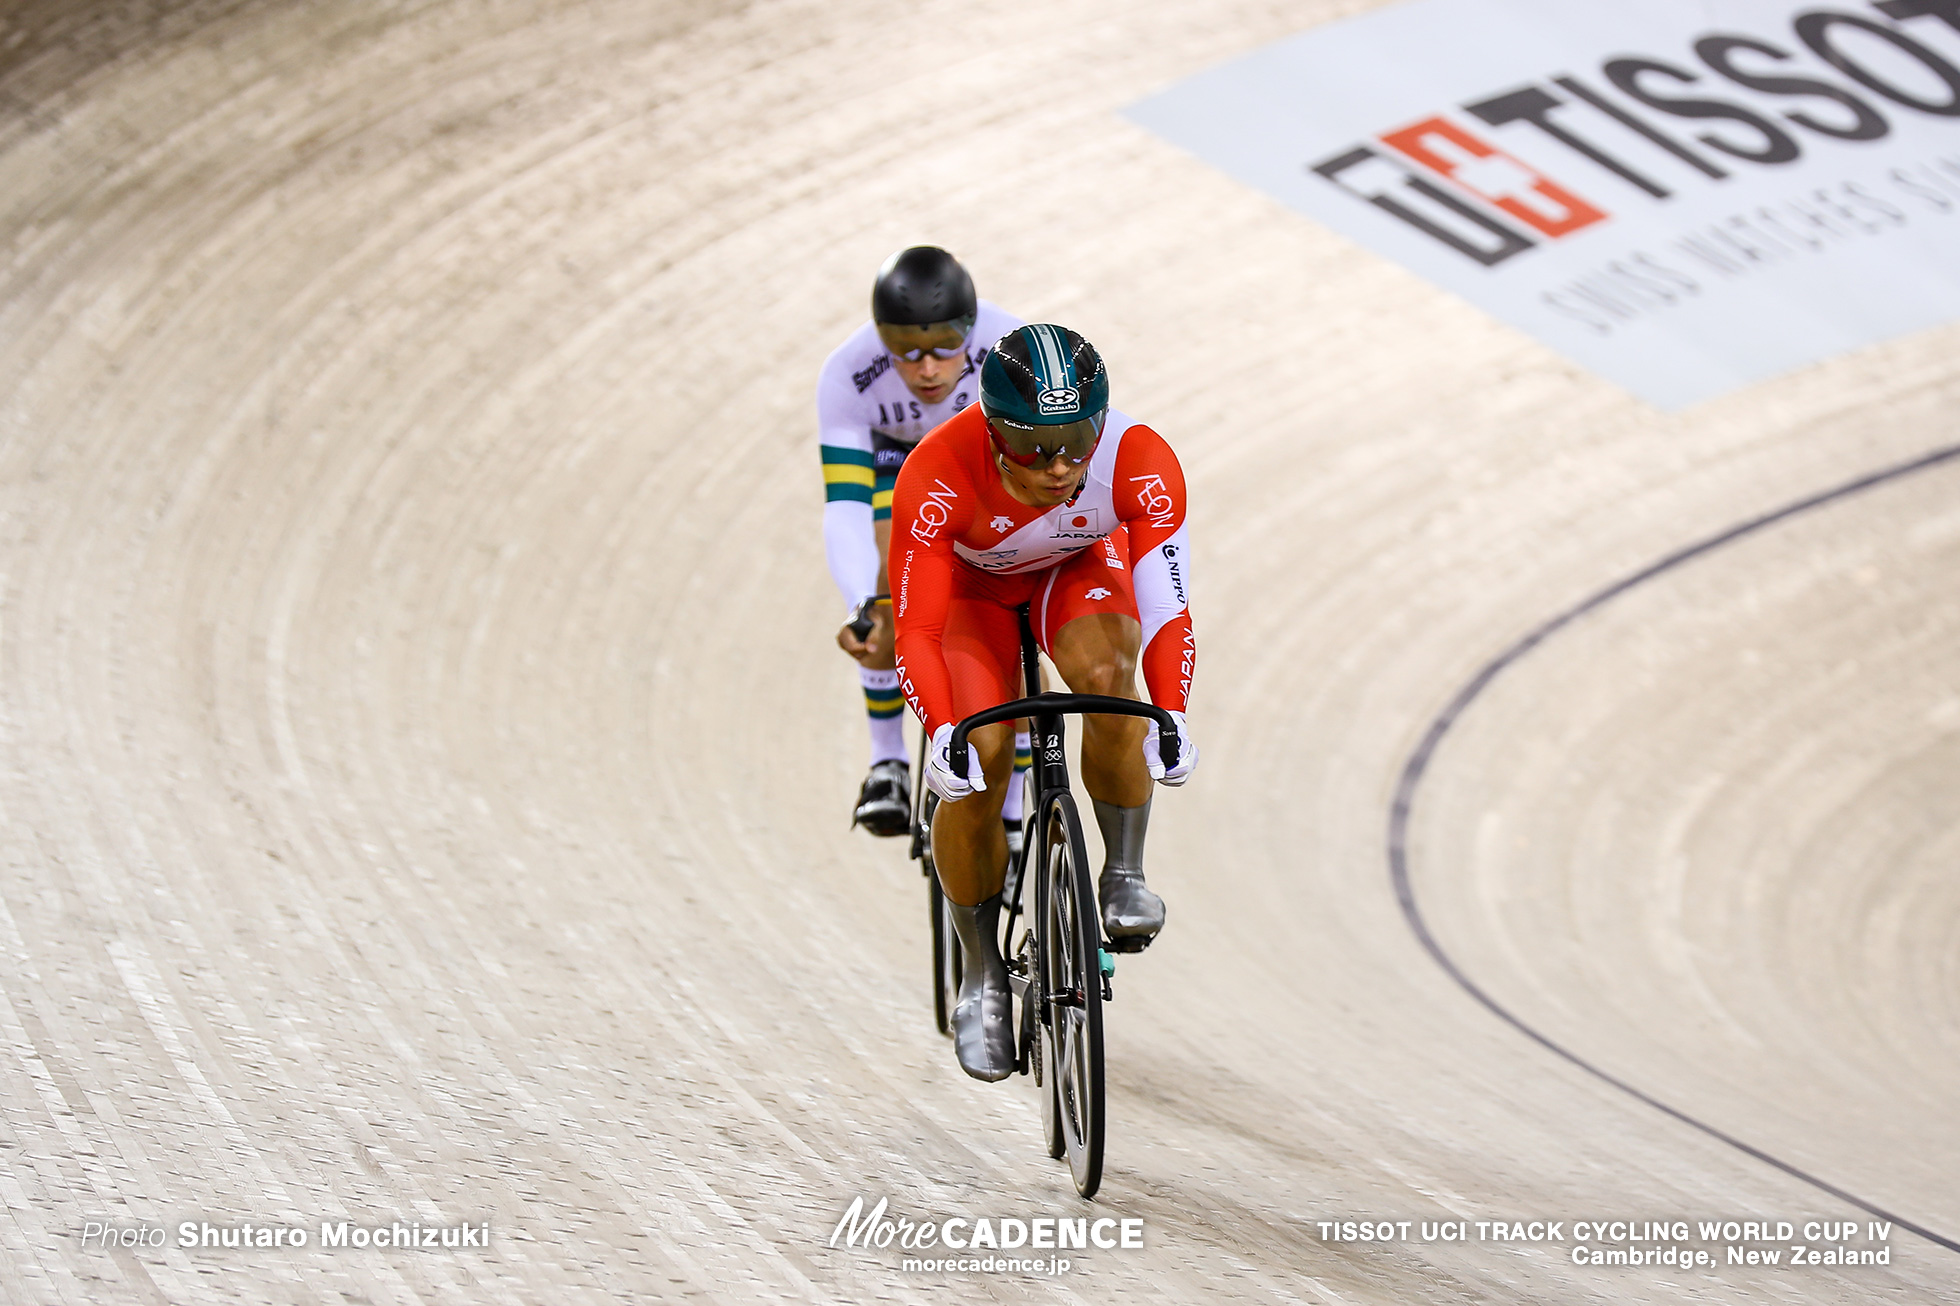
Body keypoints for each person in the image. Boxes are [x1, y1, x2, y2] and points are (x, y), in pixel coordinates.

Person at [890, 323, 1198, 1081]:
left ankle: (1122, 873)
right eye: (1032, 447)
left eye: (1076, 443)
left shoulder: (1139, 459)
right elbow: (919, 627)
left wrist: (1175, 711)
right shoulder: (937, 475)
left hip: (1075, 572)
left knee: (1109, 681)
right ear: (993, 428)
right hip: (972, 599)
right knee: (982, 754)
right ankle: (982, 973)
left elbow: (1167, 606)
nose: (1059, 468)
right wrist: (942, 730)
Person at [817, 247, 1031, 839]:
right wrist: (864, 601)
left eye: (943, 348)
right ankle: (887, 762)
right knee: (890, 580)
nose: (929, 369)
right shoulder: (848, 373)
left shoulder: (1009, 344)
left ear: (970, 330)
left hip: (981, 463)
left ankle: (1013, 811)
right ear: (883, 342)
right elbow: (847, 505)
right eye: (907, 354)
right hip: (896, 465)